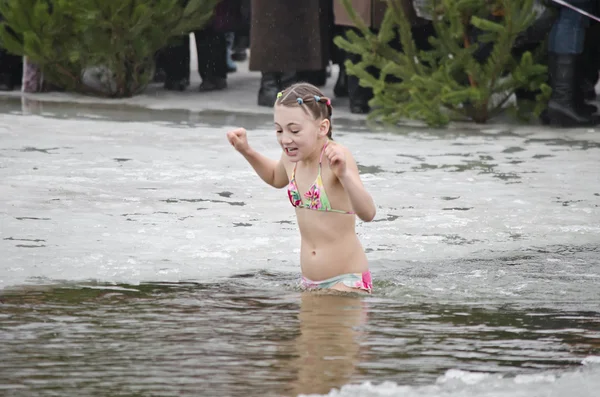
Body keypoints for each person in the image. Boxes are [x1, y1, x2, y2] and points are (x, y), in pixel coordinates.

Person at [226, 82, 376, 293]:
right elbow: (274, 177)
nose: (285, 139)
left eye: (294, 130)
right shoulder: (292, 158)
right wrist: (246, 151)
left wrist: (344, 175)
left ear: (322, 128)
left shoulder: (336, 157)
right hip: (309, 283)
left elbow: (368, 213)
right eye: (279, 130)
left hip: (346, 281)